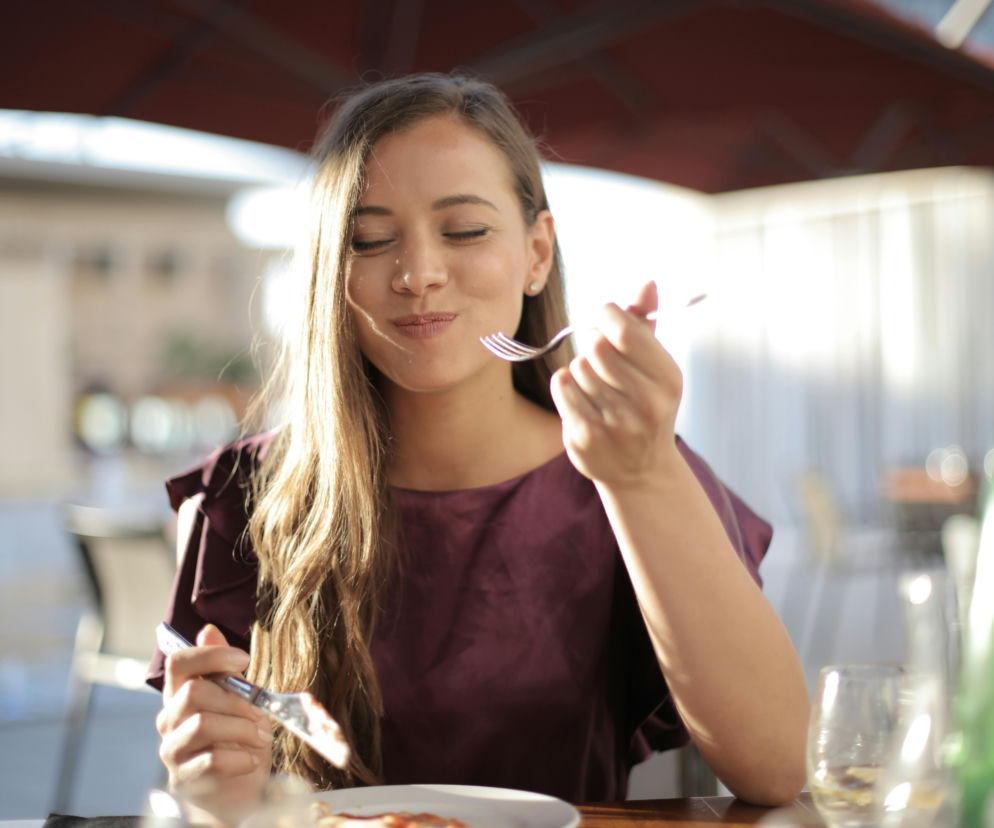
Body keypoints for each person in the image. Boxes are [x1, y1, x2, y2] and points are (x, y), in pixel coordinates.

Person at [147, 72, 809, 823]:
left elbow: (776, 766)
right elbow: (221, 796)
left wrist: (643, 476)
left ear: (537, 253)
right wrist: (211, 785)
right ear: (331, 272)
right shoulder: (244, 496)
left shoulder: (630, 468)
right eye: (369, 240)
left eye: (464, 230)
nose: (419, 274)